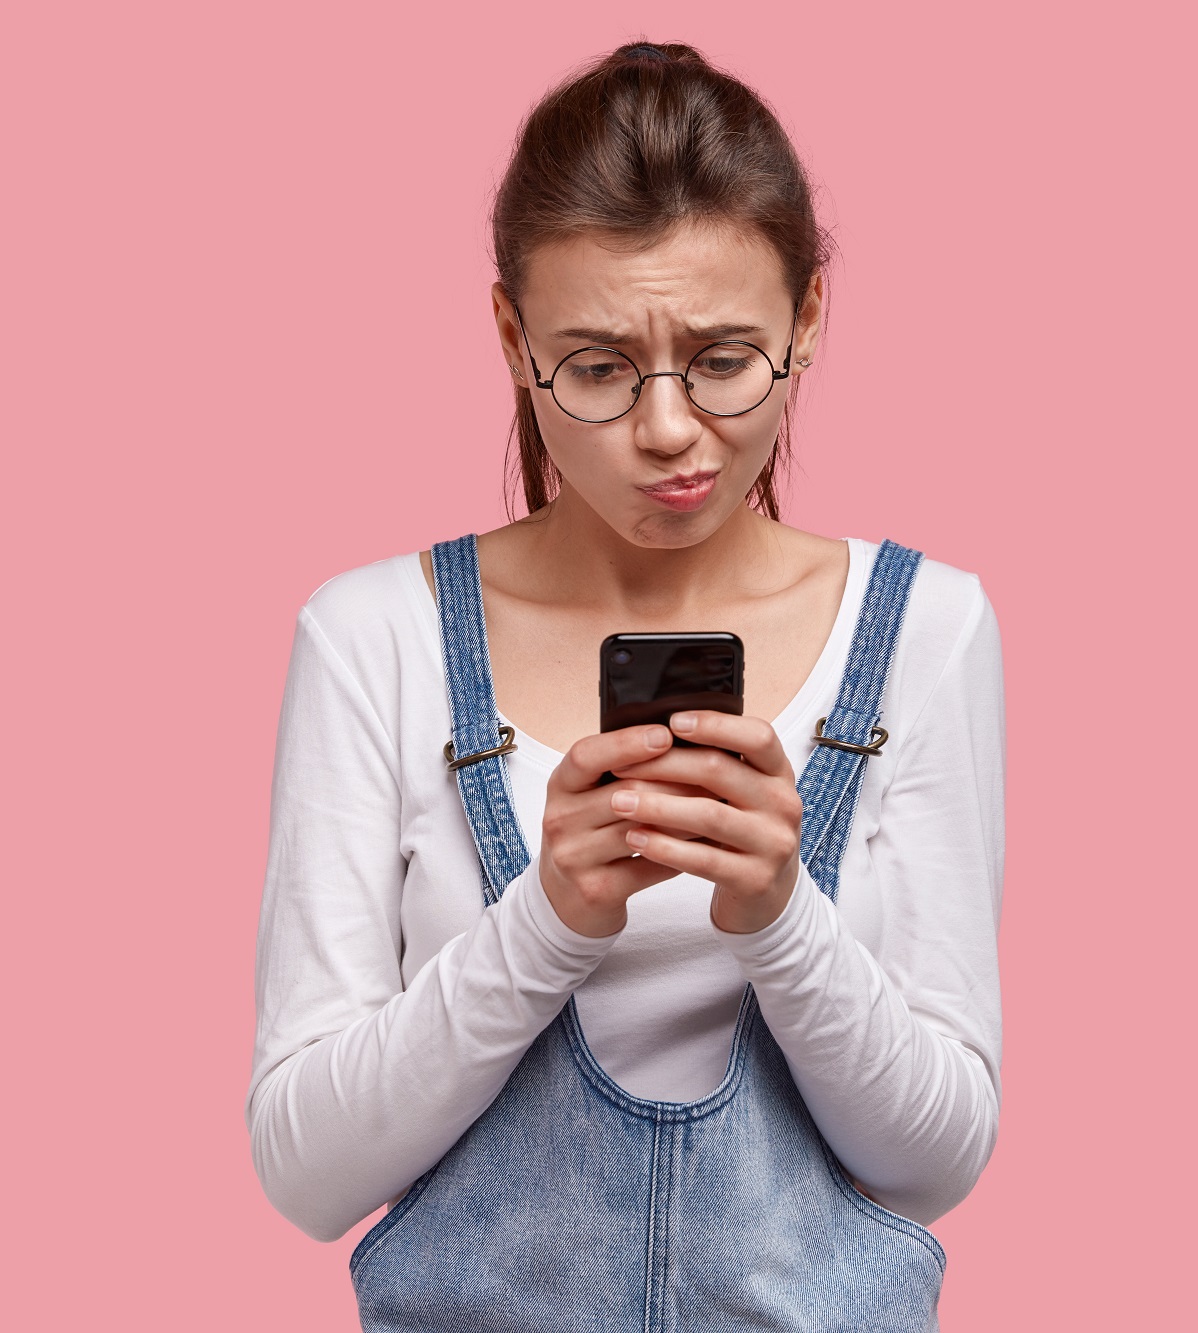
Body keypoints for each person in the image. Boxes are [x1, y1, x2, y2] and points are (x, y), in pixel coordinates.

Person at [247, 41, 1005, 1331]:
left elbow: (934, 1165)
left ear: (808, 320)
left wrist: (777, 914)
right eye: (597, 367)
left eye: (723, 359)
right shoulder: (373, 637)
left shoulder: (927, 628)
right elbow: (307, 1174)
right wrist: (547, 920)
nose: (666, 429)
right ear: (511, 335)